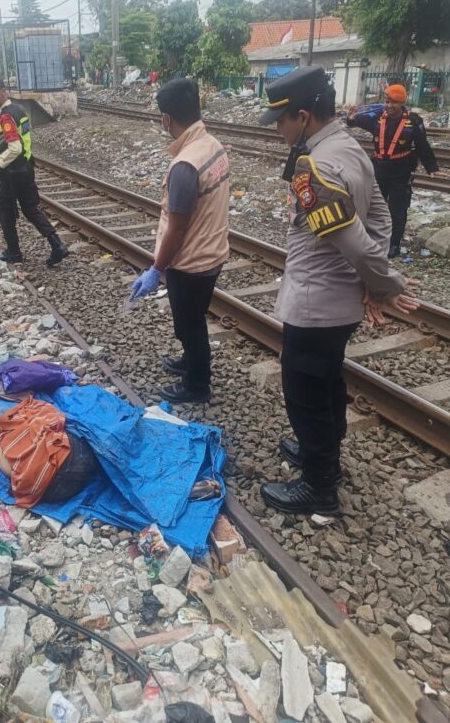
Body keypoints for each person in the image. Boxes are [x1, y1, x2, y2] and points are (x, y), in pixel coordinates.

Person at [260, 66, 419, 516]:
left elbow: (353, 241)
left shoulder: (317, 166)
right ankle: (323, 449)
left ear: (304, 116)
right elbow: (381, 220)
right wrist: (371, 279)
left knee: (304, 391)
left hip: (316, 302)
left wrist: (386, 286)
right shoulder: (350, 147)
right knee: (328, 379)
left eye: (282, 122)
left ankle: (320, 485)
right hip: (339, 302)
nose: (278, 131)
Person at [131, 77, 230, 404]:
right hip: (212, 253)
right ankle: (189, 360)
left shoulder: (185, 165)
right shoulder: (212, 145)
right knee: (191, 319)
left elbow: (176, 228)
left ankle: (197, 385)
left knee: (190, 325)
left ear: (167, 119)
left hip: (191, 262)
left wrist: (157, 269)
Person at [0, 76, 69, 267]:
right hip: (26, 167)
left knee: (5, 210)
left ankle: (13, 252)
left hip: (12, 172)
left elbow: (15, 147)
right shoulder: (20, 110)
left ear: (3, 91)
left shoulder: (6, 116)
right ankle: (57, 245)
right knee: (31, 209)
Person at [347, 84, 441, 258]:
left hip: (401, 172)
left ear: (402, 102)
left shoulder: (414, 120)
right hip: (379, 170)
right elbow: (356, 121)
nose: (389, 106)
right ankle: (373, 240)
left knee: (397, 210)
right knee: (374, 208)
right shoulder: (377, 116)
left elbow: (422, 145)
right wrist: (351, 118)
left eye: (394, 103)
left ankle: (394, 245)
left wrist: (431, 168)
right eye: (387, 101)